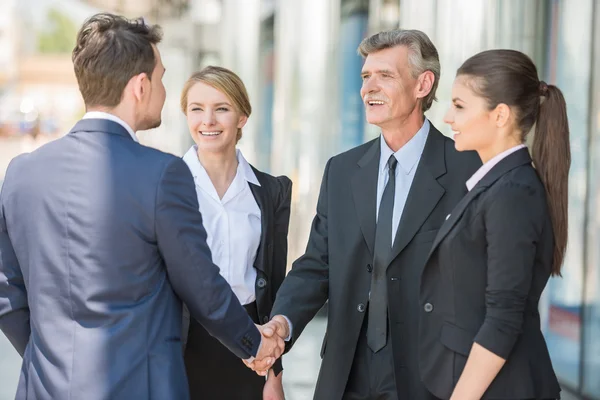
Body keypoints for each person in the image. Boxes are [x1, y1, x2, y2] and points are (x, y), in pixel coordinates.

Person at [0, 13, 281, 400]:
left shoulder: (20, 173)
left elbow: (6, 291)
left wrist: (50, 358)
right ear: (141, 86)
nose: (165, 90)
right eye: (162, 78)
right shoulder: (163, 174)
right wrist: (256, 345)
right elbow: (201, 285)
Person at [254, 29, 481, 399]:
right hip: (347, 371)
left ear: (423, 84)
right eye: (365, 77)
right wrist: (282, 322)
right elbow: (317, 264)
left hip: (430, 375)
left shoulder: (466, 169)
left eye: (385, 76)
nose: (368, 88)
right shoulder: (342, 171)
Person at [418, 49, 566, 400]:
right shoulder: (496, 185)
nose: (448, 117)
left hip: (501, 387)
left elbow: (503, 319)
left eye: (459, 105)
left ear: (500, 115)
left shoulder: (512, 192)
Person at [179, 66, 291, 400]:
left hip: (249, 346)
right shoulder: (164, 188)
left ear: (242, 117)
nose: (207, 121)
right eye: (197, 109)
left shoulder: (271, 192)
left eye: (221, 109)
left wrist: (274, 374)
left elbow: (274, 283)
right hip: (183, 345)